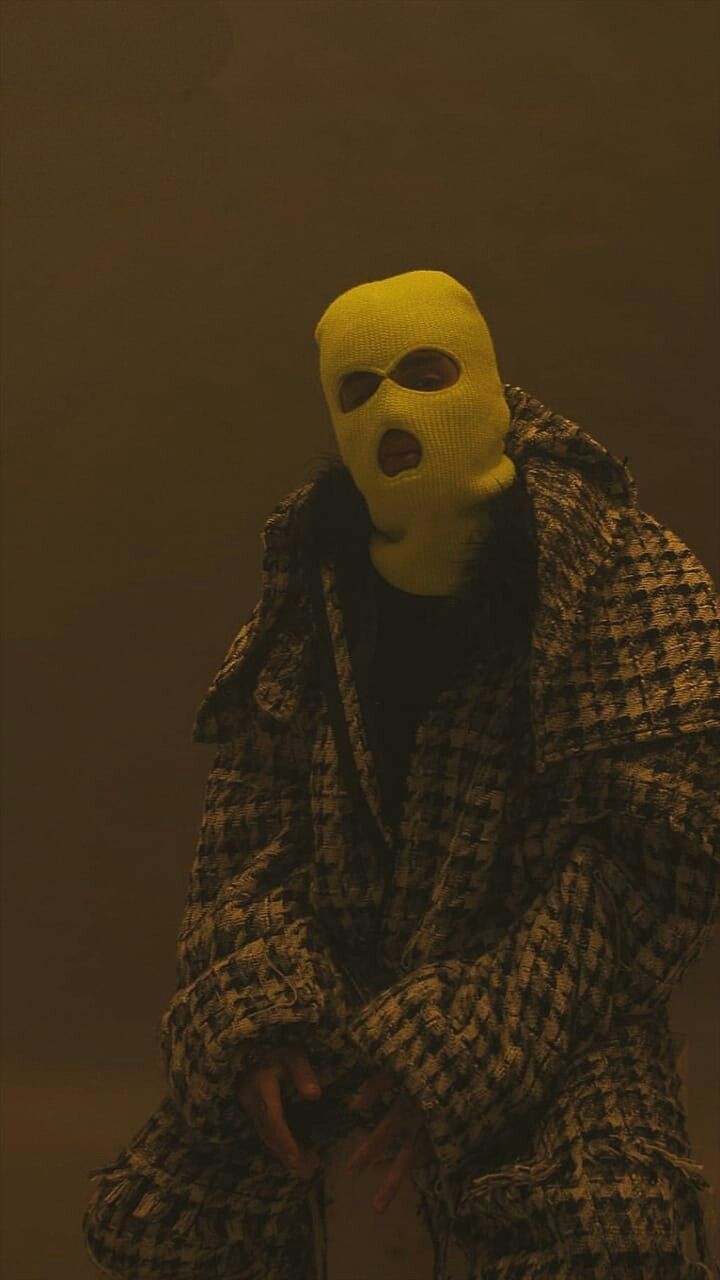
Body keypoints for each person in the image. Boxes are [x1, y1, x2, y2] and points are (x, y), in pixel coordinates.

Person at [83, 269, 720, 1279]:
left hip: (553, 999)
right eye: (359, 390)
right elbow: (250, 822)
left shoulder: (627, 576)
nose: (392, 413)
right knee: (166, 1223)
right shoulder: (314, 585)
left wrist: (474, 1038)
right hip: (342, 979)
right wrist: (260, 1007)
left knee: (610, 1229)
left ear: (485, 382)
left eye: (424, 373)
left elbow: (647, 868)